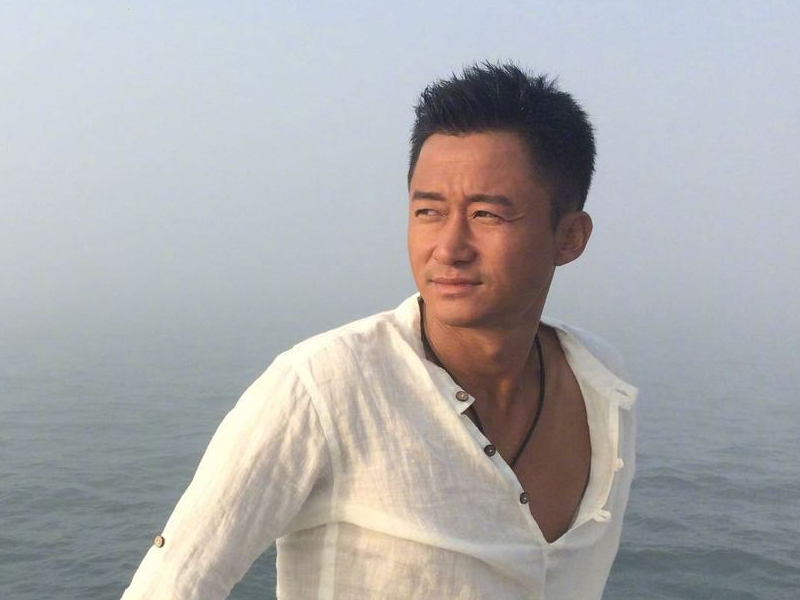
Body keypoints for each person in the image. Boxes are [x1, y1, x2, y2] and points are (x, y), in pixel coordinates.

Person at [121, 62, 638, 600]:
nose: (449, 248)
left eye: (486, 215)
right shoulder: (325, 387)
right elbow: (173, 583)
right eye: (428, 211)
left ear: (570, 237)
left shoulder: (602, 384)